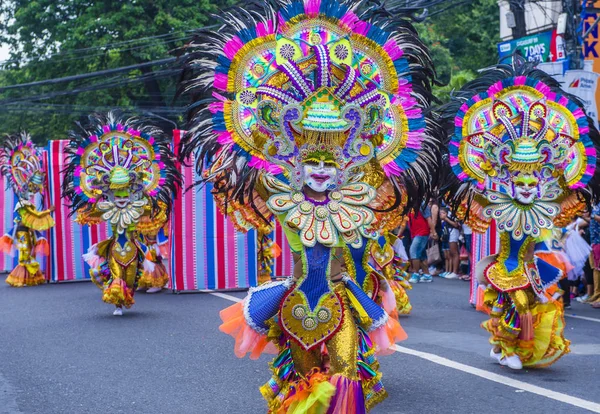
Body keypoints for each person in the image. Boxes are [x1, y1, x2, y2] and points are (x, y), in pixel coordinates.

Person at [177, 0, 440, 410]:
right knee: (300, 385)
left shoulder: (356, 198)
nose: (320, 170)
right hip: (295, 305)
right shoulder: (285, 199)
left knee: (346, 375)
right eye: (311, 162)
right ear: (295, 162)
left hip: (341, 300)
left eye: (330, 163)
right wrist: (261, 142)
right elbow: (252, 170)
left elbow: (381, 175)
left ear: (344, 166)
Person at [443, 58, 599, 369]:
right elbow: (474, 189)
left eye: (532, 181)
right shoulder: (500, 203)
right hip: (505, 268)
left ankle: (505, 347)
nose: (526, 187)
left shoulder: (543, 205)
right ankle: (505, 346)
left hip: (532, 270)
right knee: (515, 307)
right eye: (520, 181)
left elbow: (564, 201)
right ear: (509, 180)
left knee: (528, 309)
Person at [62, 113, 180, 315]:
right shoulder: (107, 207)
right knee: (117, 276)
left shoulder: (137, 206)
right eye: (117, 193)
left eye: (125, 192)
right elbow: (90, 211)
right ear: (110, 193)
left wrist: (147, 196)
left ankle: (127, 296)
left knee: (131, 278)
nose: (121, 197)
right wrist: (92, 198)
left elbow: (153, 209)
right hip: (115, 248)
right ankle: (117, 302)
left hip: (134, 247)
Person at [0, 133, 54, 287]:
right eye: (28, 190)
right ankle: (20, 278)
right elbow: (34, 215)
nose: (30, 193)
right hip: (22, 232)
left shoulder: (27, 202)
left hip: (29, 232)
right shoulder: (22, 205)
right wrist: (48, 211)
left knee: (29, 253)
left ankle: (29, 278)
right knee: (24, 255)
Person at [406, 204, 436, 283]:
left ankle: (416, 274)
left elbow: (429, 219)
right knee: (421, 255)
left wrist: (433, 232)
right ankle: (427, 275)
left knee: (414, 251)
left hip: (422, 232)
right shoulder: (409, 205)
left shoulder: (422, 204)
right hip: (414, 233)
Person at [438, 207, 460, 279]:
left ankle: (455, 272)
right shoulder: (449, 210)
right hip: (449, 233)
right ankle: (452, 271)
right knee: (451, 253)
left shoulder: (453, 212)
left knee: (454, 253)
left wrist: (446, 218)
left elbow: (456, 225)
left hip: (453, 232)